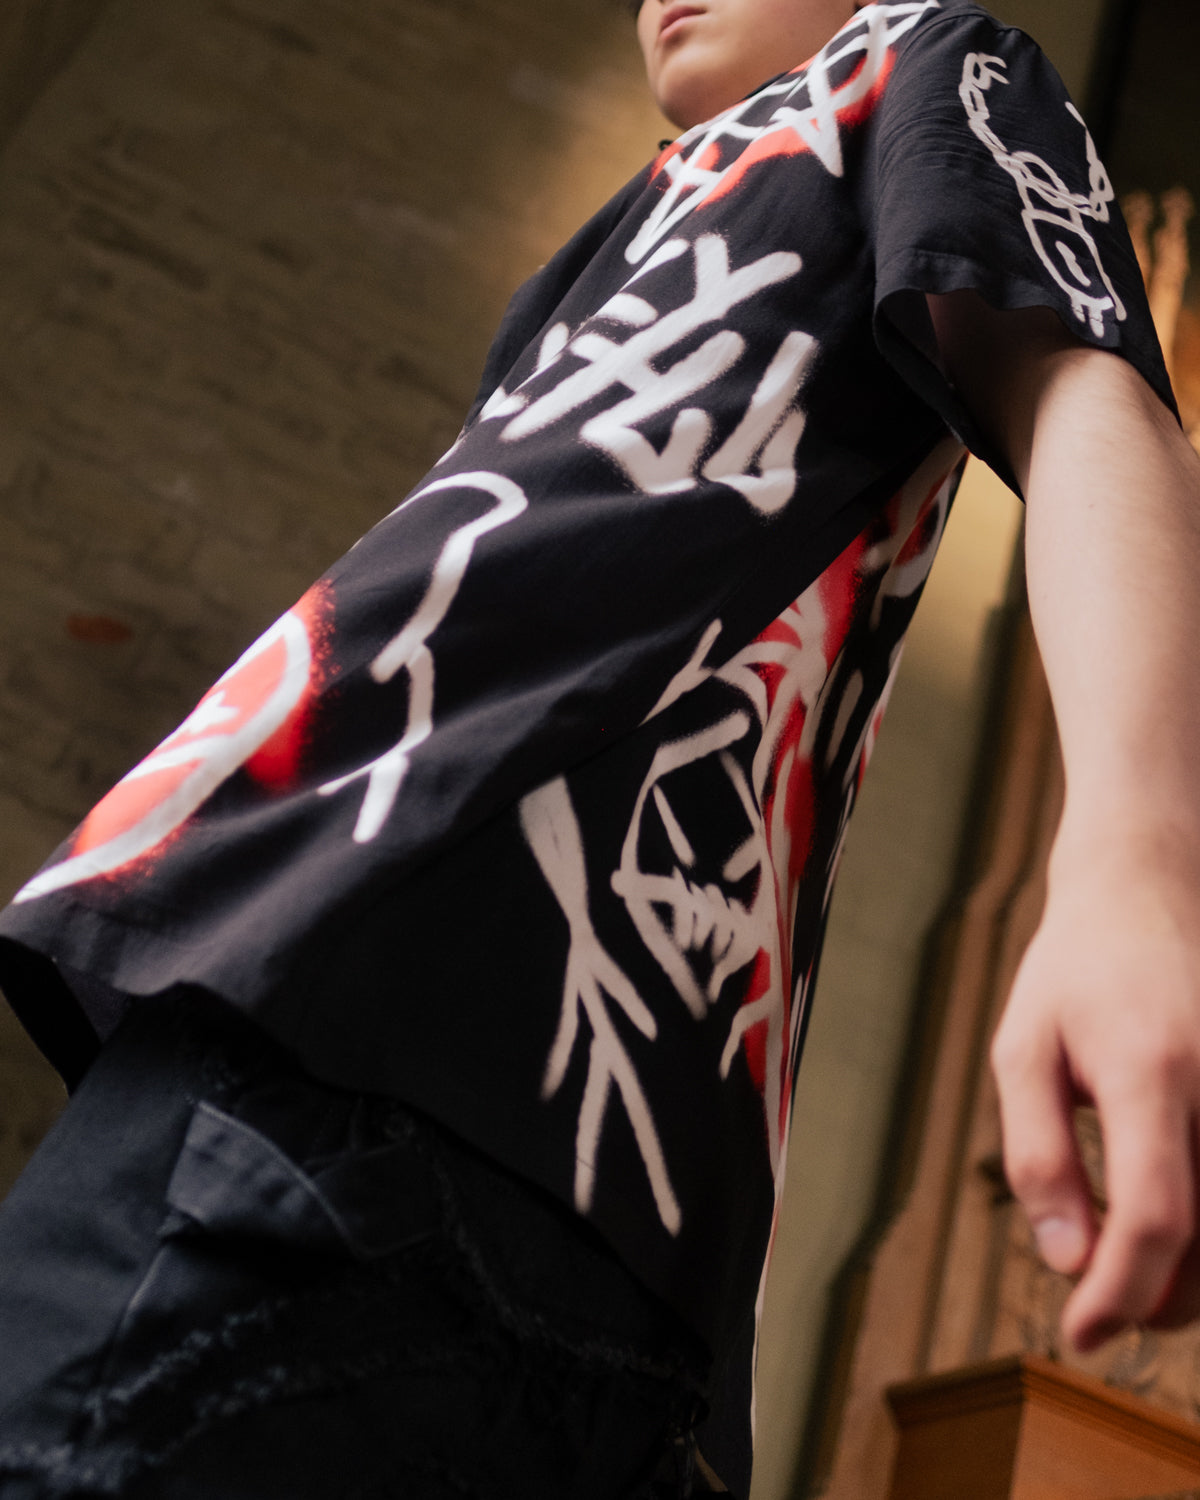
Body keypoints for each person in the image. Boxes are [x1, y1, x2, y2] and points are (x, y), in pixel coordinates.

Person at [0, 0, 1198, 1495]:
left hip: (360, 1053)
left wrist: (1137, 859)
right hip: (581, 1220)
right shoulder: (651, 221)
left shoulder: (924, 58)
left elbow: (1091, 390)